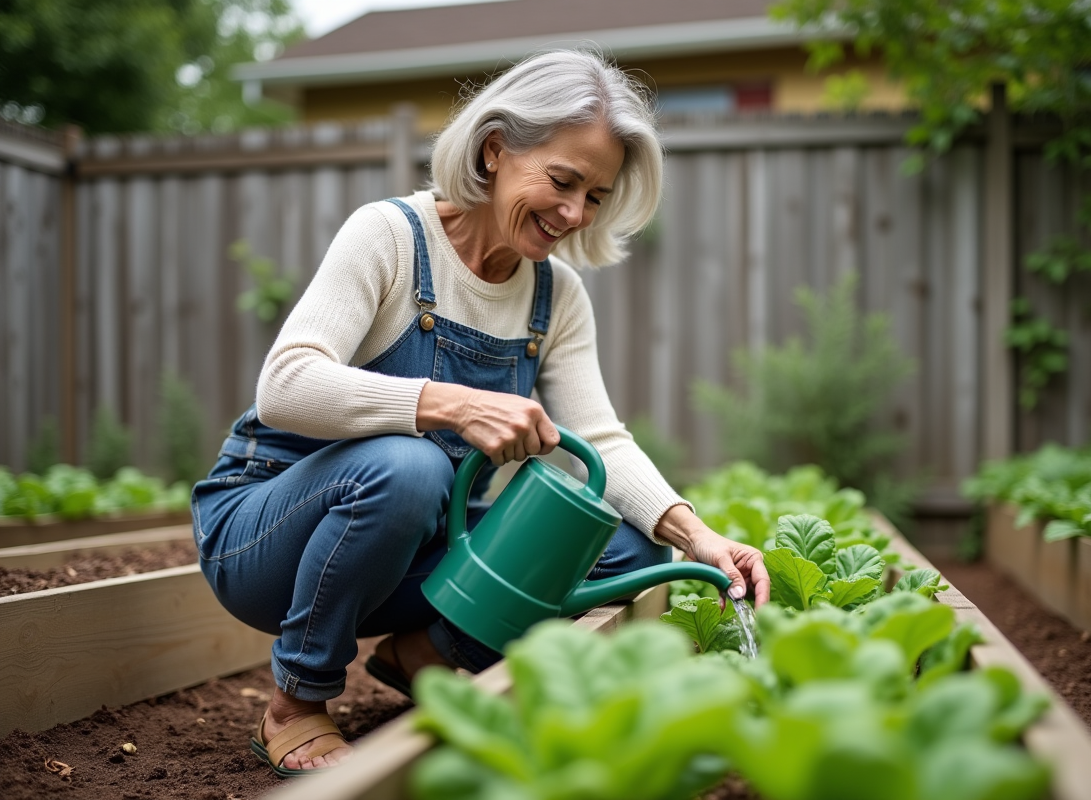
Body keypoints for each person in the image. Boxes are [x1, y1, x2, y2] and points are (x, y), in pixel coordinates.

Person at [190, 49, 770, 777]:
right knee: (409, 467)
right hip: (268, 540)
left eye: (595, 196)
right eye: (562, 181)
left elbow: (601, 441)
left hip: (417, 554)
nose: (573, 213)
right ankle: (296, 701)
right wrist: (452, 404)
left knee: (628, 549)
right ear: (495, 149)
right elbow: (286, 385)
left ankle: (428, 653)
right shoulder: (390, 238)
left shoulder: (555, 295)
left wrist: (697, 536)